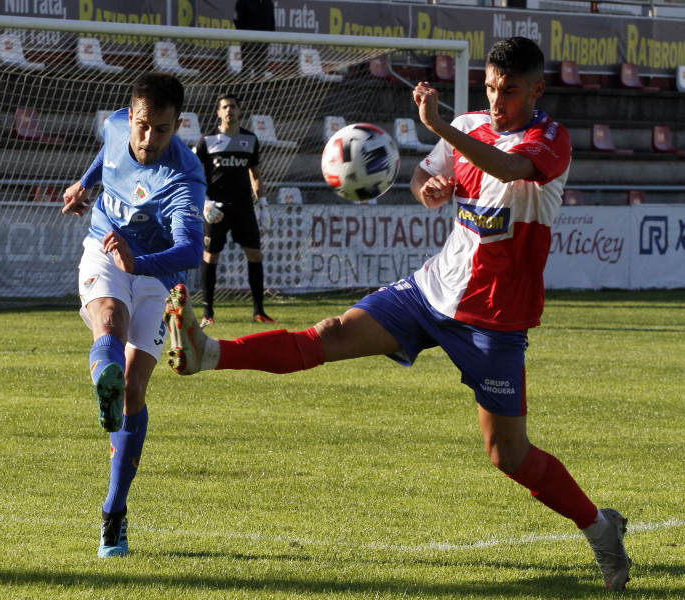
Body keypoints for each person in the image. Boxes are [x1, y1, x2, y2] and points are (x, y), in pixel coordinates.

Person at [163, 37, 631, 590]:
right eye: (490, 89)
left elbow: (504, 164)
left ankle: (601, 530)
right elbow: (428, 177)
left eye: (508, 91)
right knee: (330, 333)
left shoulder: (550, 140)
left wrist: (440, 127)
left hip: (495, 320)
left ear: (537, 89)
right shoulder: (474, 124)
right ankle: (207, 351)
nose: (497, 100)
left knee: (509, 456)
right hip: (431, 292)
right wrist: (427, 188)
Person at [61, 72, 206, 558]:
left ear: (177, 125)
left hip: (153, 272)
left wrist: (139, 263)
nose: (147, 139)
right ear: (131, 114)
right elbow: (108, 153)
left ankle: (114, 512)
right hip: (104, 246)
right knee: (108, 321)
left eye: (161, 130)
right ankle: (106, 379)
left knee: (136, 389)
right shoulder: (116, 124)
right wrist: (83, 185)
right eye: (142, 126)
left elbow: (189, 248)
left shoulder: (184, 178)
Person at [193, 93, 274, 326]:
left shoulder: (250, 139)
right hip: (215, 209)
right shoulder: (206, 140)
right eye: (224, 107)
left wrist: (264, 206)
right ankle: (208, 313)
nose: (229, 110)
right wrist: (204, 203)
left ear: (240, 110)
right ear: (218, 112)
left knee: (255, 254)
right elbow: (192, 174)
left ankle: (259, 311)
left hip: (243, 207)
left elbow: (255, 175)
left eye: (233, 106)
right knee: (211, 256)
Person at [234, 0, 275, 80]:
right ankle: (244, 91)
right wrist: (244, 35)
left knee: (260, 71)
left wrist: (270, 37)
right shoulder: (243, 2)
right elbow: (237, 19)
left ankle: (258, 91)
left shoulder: (268, 3)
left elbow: (272, 21)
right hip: (248, 41)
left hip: (264, 41)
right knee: (247, 69)